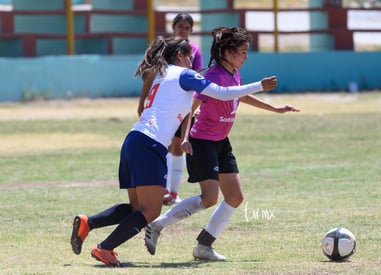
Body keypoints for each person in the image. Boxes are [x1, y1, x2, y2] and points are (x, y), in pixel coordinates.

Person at [70, 35, 278, 267]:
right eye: (189, 56)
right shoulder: (184, 74)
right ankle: (105, 248)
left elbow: (172, 107)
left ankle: (88, 223)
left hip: (133, 140)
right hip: (150, 145)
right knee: (150, 210)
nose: (192, 61)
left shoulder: (162, 74)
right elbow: (221, 92)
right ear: (180, 55)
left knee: (138, 208)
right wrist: (260, 86)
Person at [144, 27, 300, 261]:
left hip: (221, 141)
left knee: (235, 197)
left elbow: (238, 94)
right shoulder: (212, 76)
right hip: (201, 141)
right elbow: (190, 108)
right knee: (209, 198)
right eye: (243, 52)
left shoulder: (233, 71)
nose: (246, 57)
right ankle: (156, 226)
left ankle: (203, 247)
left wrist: (275, 109)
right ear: (227, 52)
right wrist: (184, 138)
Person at [138, 13, 204, 205]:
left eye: (186, 27)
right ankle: (163, 189)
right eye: (179, 26)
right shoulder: (165, 49)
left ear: (191, 30)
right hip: (163, 107)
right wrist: (142, 102)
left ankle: (173, 192)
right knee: (163, 146)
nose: (182, 30)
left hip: (183, 106)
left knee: (177, 147)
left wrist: (195, 107)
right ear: (173, 28)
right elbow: (149, 76)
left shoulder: (194, 51)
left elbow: (196, 80)